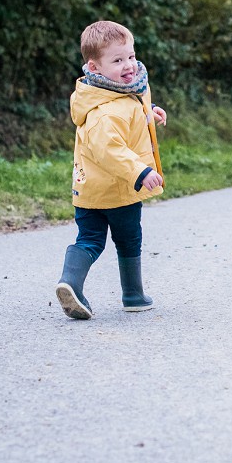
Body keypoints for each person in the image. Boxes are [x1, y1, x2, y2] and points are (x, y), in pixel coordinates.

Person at [55, 20, 167, 319]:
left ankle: (79, 282)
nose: (129, 65)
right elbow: (110, 150)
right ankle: (127, 293)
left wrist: (149, 112)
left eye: (130, 56)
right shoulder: (103, 112)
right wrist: (140, 172)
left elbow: (129, 110)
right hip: (119, 189)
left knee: (90, 239)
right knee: (128, 240)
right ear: (94, 67)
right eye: (117, 60)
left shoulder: (116, 91)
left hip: (88, 190)